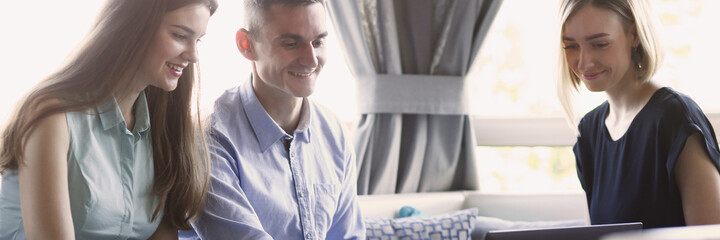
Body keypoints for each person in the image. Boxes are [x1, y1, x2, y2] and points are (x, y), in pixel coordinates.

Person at [0, 0, 217, 239]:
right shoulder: (52, 116)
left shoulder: (164, 128)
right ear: (133, 27)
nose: (194, 55)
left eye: (198, 40)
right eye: (179, 35)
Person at [180, 0, 365, 239]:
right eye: (291, 44)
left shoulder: (334, 134)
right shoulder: (208, 139)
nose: (311, 59)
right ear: (246, 45)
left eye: (318, 42)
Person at [558, 0, 720, 228]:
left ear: (635, 36)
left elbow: (710, 234)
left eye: (600, 44)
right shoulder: (588, 131)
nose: (584, 62)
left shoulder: (675, 118)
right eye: (571, 46)